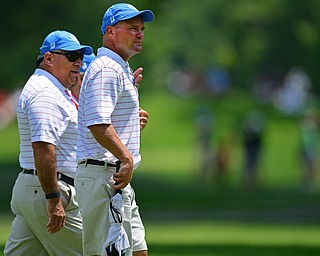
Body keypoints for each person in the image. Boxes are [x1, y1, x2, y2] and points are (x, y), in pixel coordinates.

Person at [75, 3, 154, 256]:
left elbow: (105, 119)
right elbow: (98, 124)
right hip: (103, 176)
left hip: (114, 177)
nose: (140, 33)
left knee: (138, 252)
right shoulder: (107, 69)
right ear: (111, 32)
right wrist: (126, 157)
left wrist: (130, 119)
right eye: (132, 28)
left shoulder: (118, 68)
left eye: (141, 28)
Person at [4, 30, 93, 256]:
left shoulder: (53, 90)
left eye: (80, 57)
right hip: (49, 191)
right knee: (92, 252)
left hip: (36, 189)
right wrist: (53, 199)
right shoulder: (45, 92)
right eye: (72, 56)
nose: (79, 63)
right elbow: (43, 147)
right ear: (49, 58)